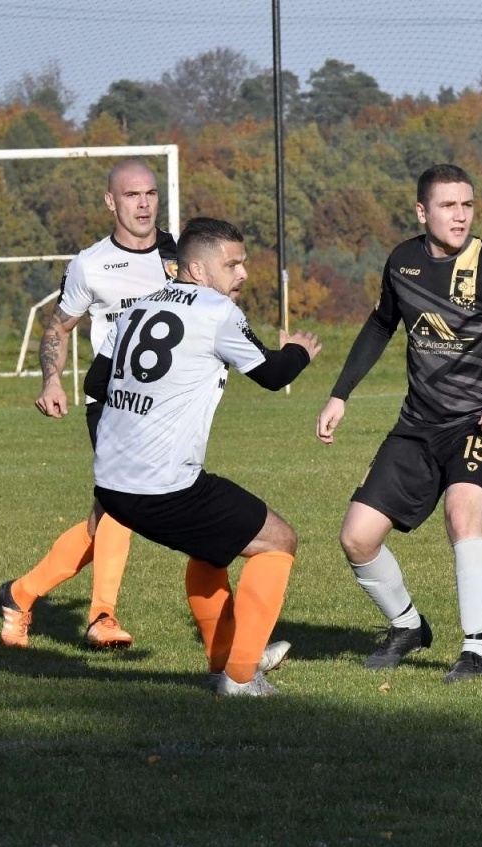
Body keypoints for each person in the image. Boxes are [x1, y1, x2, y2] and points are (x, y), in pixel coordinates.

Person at [58, 216, 319, 696]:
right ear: (197, 269)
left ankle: (225, 663)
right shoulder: (216, 310)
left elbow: (96, 385)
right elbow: (272, 374)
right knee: (278, 540)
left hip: (113, 483)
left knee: (210, 547)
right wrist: (299, 351)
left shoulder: (135, 309)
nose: (241, 274)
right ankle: (242, 677)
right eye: (232, 264)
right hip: (164, 485)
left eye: (243, 263)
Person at [316, 164, 482, 682]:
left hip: (480, 425)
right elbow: (382, 323)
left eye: (467, 205)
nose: (461, 215)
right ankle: (407, 626)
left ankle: (475, 652)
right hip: (417, 425)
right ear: (422, 212)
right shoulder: (403, 261)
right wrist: (341, 393)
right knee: (357, 538)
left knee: (462, 515)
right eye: (449, 206)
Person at [0, 161, 177, 649]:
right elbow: (57, 325)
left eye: (150, 194)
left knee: (109, 516)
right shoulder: (90, 263)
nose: (143, 204)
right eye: (132, 195)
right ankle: (102, 616)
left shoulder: (179, 255)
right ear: (110, 202)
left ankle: (20, 594)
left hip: (170, 407)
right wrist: (52, 378)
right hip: (113, 401)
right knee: (123, 504)